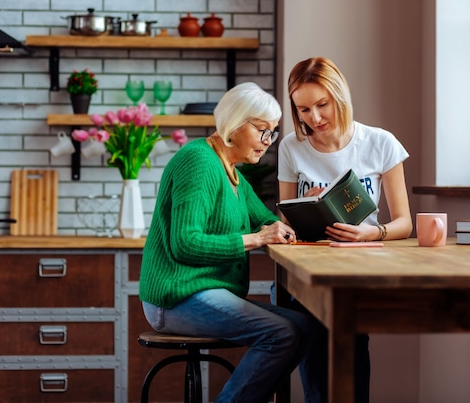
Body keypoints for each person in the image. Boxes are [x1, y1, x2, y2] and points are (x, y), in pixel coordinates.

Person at [139, 81, 320, 403]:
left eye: (272, 132)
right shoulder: (198, 162)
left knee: (307, 326)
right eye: (262, 130)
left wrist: (308, 208)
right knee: (281, 333)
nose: (268, 142)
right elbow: (185, 243)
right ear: (234, 125)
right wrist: (255, 239)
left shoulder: (233, 173)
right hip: (176, 297)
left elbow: (266, 221)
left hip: (206, 293)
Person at [277, 57, 413, 402]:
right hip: (310, 268)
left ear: (340, 97)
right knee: (314, 352)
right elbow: (285, 221)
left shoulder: (380, 143)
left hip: (359, 265)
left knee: (351, 348)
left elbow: (404, 223)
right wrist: (305, 204)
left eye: (322, 105)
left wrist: (374, 233)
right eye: (304, 109)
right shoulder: (292, 147)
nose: (315, 118)